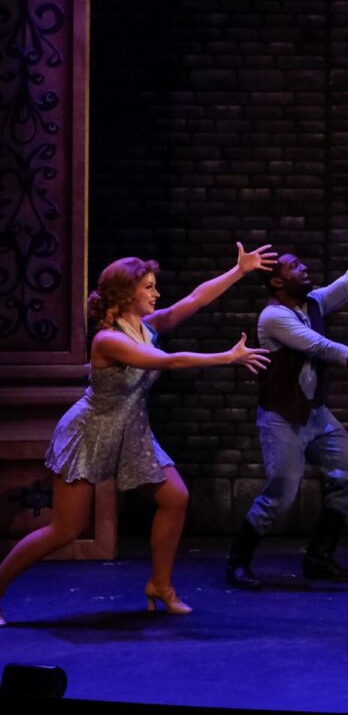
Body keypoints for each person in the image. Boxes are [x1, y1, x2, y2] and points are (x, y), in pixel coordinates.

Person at [0, 245, 273, 625]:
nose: (156, 293)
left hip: (132, 430)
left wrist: (238, 271)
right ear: (127, 294)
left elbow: (194, 300)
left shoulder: (147, 327)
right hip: (90, 432)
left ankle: (160, 585)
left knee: (175, 497)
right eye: (148, 287)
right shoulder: (108, 340)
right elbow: (168, 361)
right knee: (66, 529)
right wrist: (225, 357)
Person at [226, 215, 348, 591]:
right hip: (282, 416)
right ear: (278, 281)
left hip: (315, 414)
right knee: (282, 493)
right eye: (294, 266)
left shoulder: (312, 303)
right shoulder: (273, 317)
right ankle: (238, 561)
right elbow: (320, 347)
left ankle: (318, 558)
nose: (303, 268)